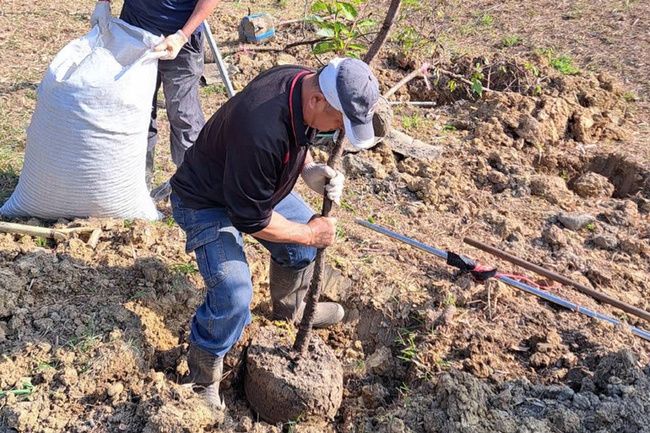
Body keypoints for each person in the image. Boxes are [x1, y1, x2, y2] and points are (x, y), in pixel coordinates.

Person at [169, 57, 380, 408]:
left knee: (300, 251)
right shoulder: (260, 130)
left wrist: (308, 166)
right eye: (339, 120)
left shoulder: (300, 82)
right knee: (234, 295)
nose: (338, 130)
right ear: (317, 100)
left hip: (251, 187)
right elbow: (251, 218)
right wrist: (311, 233)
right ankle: (201, 377)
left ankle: (290, 312)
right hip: (206, 201)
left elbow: (296, 137)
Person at [90, 0, 219, 195]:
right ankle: (135, 187)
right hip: (134, 32)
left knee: (184, 114)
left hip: (179, 38)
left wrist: (182, 35)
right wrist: (103, 2)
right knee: (136, 111)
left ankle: (191, 190)